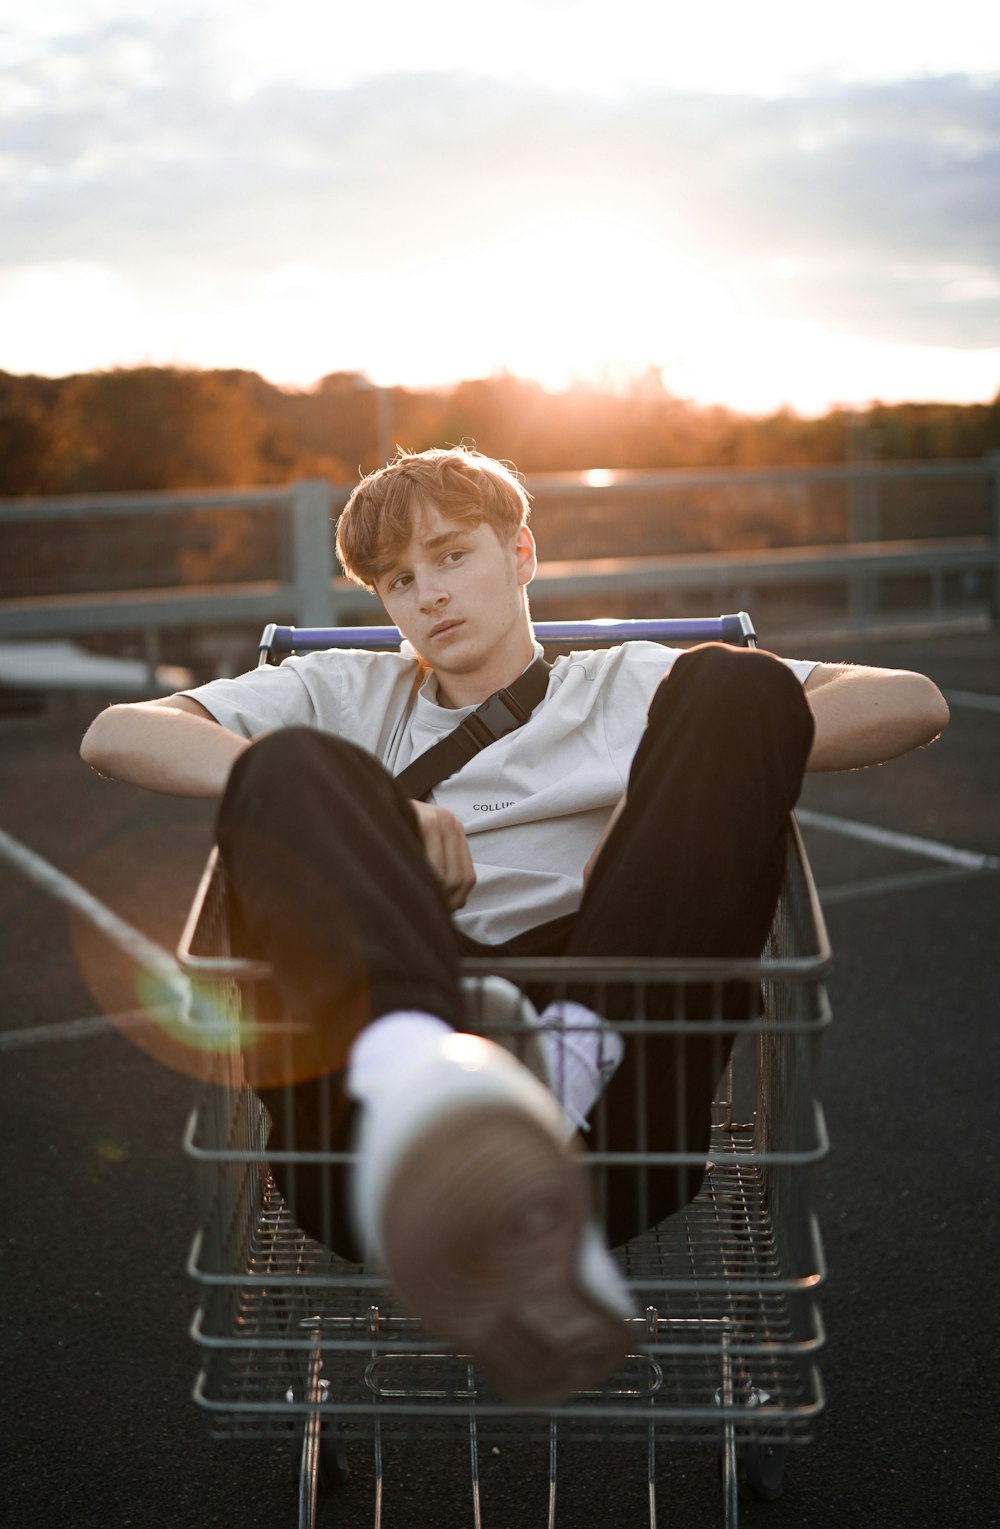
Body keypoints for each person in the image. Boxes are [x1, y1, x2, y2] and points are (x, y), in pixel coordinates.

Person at [81, 446, 949, 1404]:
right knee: (291, 763)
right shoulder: (339, 692)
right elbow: (118, 730)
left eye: (452, 556)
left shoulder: (626, 686)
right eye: (399, 580)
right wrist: (367, 805)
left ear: (522, 553)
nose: (428, 596)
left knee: (737, 685)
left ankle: (550, 1084)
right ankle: (441, 1103)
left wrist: (674, 786)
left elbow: (912, 699)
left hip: (616, 1084)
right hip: (372, 1121)